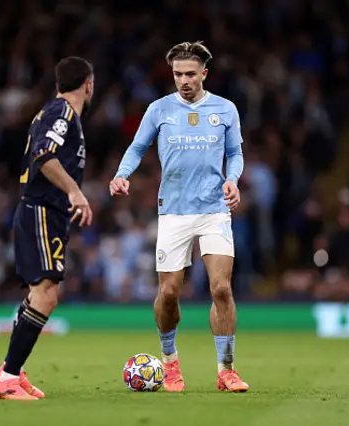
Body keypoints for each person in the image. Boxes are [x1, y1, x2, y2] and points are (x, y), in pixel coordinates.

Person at [110, 41, 249, 392]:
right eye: (177, 74)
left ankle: (226, 370)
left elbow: (234, 153)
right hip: (172, 212)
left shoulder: (225, 109)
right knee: (169, 293)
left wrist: (232, 180)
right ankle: (170, 363)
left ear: (204, 73)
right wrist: (122, 173)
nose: (183, 80)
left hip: (214, 209)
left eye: (190, 74)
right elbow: (137, 147)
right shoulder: (159, 110)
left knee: (221, 288)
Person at [0, 56, 95, 400]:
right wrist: (75, 191)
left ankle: (12, 371)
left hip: (47, 212)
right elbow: (43, 154)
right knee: (46, 294)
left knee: (43, 293)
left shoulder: (57, 113)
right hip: (41, 209)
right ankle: (7, 377)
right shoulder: (62, 113)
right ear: (88, 85)